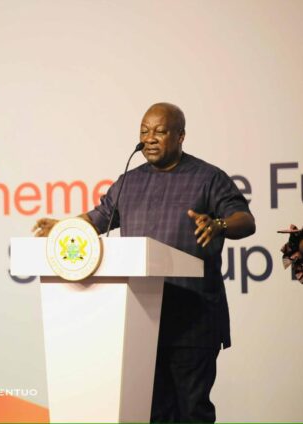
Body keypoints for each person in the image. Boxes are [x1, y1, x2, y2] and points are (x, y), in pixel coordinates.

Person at [33, 103, 256, 423]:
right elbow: (99, 218)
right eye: (144, 131)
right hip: (142, 320)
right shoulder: (129, 181)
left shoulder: (208, 177)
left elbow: (245, 220)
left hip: (193, 317)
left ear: (180, 136)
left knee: (192, 411)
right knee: (152, 413)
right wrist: (65, 227)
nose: (149, 138)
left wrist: (219, 224)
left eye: (160, 132)